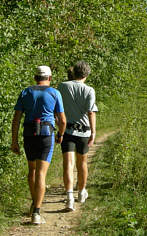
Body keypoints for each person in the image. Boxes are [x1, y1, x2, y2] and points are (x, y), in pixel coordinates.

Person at [11, 65, 66, 224]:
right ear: (49, 78)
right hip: (46, 135)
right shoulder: (55, 93)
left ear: (35, 78)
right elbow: (62, 120)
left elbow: (16, 119)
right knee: (41, 174)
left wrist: (14, 141)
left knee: (32, 171)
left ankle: (35, 203)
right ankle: (36, 212)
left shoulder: (25, 92)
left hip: (28, 134)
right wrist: (60, 135)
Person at [57, 60, 97, 211]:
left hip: (67, 130)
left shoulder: (62, 86)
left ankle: (69, 198)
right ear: (87, 74)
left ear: (73, 72)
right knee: (82, 164)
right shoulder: (89, 90)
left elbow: (58, 108)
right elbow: (91, 112)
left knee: (68, 164)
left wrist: (58, 126)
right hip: (84, 131)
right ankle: (81, 192)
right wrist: (93, 132)